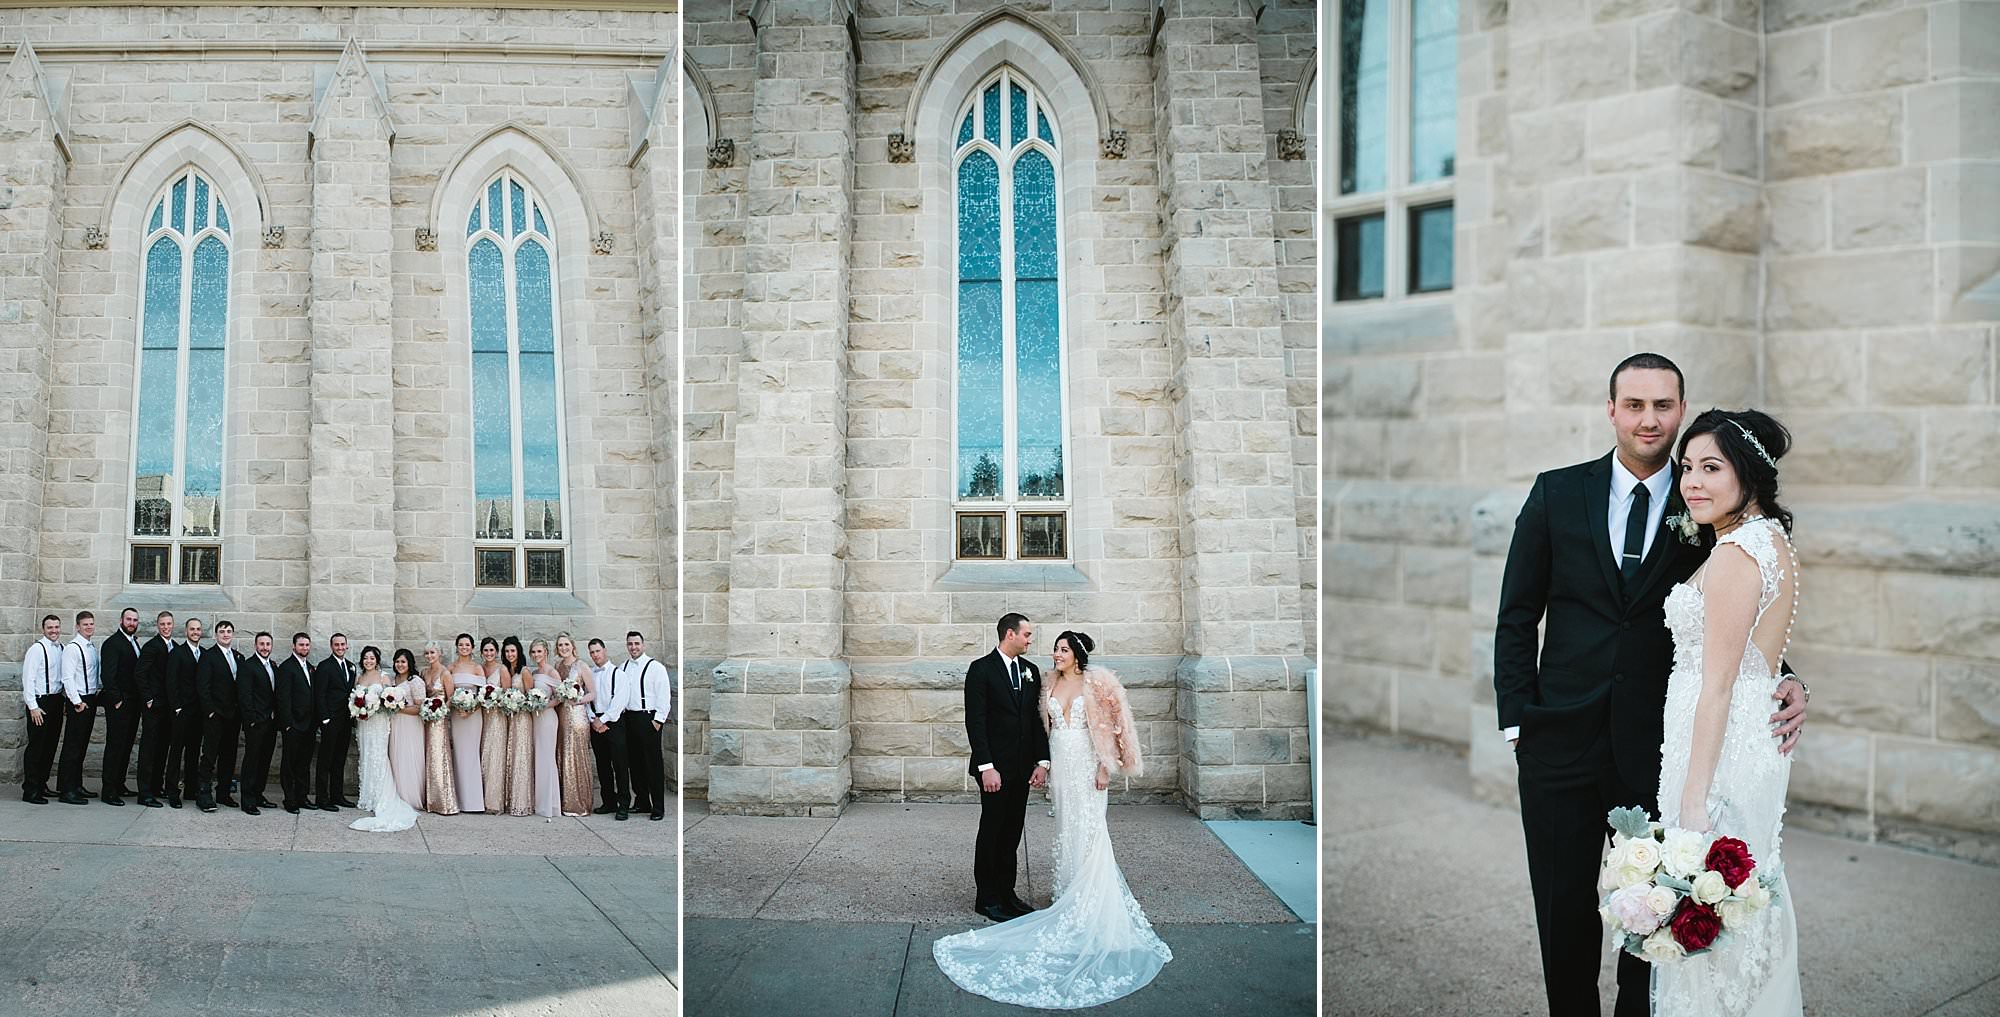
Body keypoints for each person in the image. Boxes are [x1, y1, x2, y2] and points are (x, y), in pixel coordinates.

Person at [1494, 354, 1810, 1017]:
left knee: (1656, 906)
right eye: (1634, 404)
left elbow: (1743, 612)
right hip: (1558, 739)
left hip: (1657, 748)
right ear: (1612, 409)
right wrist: (1519, 721)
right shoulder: (1556, 492)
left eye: (1663, 405)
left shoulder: (1706, 501)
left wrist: (1782, 679)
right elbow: (1518, 613)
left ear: (1681, 407)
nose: (1649, 418)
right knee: (1562, 905)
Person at [1651, 411, 1804, 1015]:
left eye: (1711, 468)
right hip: (1740, 741)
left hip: (1717, 756)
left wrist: (1692, 803)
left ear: (1750, 475)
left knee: (1711, 900)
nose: (1692, 482)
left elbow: (1717, 686)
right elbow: (1758, 661)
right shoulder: (1768, 541)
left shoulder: (1740, 552)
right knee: (1741, 899)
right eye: (1687, 467)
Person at [933, 630, 1171, 1008]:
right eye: (1051, 647)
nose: (1053, 653)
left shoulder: (1097, 682)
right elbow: (1029, 726)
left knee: (1091, 828)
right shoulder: (1046, 682)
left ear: (1077, 653)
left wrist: (1106, 767)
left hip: (1088, 765)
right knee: (1065, 827)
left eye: (1062, 649)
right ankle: (1060, 890)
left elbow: (1112, 724)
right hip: (1060, 766)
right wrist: (1039, 763)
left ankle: (1089, 897)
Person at [959, 613, 1049, 921]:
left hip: (1023, 769)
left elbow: (1037, 721)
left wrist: (1042, 762)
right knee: (992, 831)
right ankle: (986, 898)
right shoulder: (981, 670)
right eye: (1026, 634)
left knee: (1012, 833)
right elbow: (976, 722)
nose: (1030, 639)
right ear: (1009, 634)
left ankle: (1007, 894)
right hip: (994, 770)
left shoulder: (1030, 671)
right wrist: (987, 767)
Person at [349, 645, 419, 833]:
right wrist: (359, 709)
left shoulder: (384, 678)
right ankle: (367, 796)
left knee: (378, 756)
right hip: (364, 723)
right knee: (366, 757)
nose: (368, 661)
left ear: (377, 660)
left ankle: (380, 796)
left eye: (372, 658)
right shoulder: (359, 678)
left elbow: (390, 700)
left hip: (379, 723)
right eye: (365, 658)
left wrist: (376, 706)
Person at [618, 631, 669, 822]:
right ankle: (642, 801)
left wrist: (658, 720)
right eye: (630, 644)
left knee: (652, 764)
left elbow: (664, 694)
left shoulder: (655, 667)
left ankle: (658, 807)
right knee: (635, 763)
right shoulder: (623, 667)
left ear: (643, 645)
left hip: (648, 718)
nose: (633, 647)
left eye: (637, 644)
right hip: (629, 718)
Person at [194, 620, 245, 812]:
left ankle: (223, 793)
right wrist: (210, 711)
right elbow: (203, 686)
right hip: (215, 715)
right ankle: (204, 794)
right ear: (216, 635)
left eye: (229, 631)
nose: (225, 634)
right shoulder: (208, 656)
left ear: (232, 634)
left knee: (228, 756)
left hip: (233, 716)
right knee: (209, 755)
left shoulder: (238, 657)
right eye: (222, 631)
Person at [97, 607, 145, 806]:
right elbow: (107, 675)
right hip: (119, 704)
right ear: (121, 621)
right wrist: (117, 699)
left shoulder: (134, 642)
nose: (131, 623)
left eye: (134, 620)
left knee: (126, 745)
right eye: (128, 619)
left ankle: (119, 783)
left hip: (133, 704)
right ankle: (109, 790)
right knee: (115, 746)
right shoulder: (112, 644)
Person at [19, 613, 66, 805]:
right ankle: (30, 790)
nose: (54, 631)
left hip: (56, 701)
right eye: (50, 628)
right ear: (43, 629)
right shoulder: (36, 650)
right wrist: (33, 706)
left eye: (56, 627)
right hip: (40, 703)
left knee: (50, 745)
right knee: (37, 747)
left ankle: (42, 784)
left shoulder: (61, 648)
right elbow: (28, 679)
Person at [56, 610, 102, 805]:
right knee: (72, 746)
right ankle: (67, 790)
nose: (89, 627)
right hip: (79, 701)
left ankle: (76, 785)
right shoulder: (72, 648)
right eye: (85, 624)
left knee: (82, 745)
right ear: (77, 626)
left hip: (90, 698)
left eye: (91, 624)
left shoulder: (91, 647)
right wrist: (76, 701)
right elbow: (67, 678)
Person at [134, 610, 178, 808]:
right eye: (163, 624)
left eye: (169, 624)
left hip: (168, 707)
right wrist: (148, 698)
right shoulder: (151, 646)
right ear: (157, 626)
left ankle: (156, 786)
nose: (166, 627)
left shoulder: (175, 647)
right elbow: (140, 674)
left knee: (162, 748)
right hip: (154, 706)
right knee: (149, 749)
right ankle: (144, 793)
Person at [163, 618, 207, 809]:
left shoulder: (204, 654)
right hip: (182, 711)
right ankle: (172, 791)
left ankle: (191, 788)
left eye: (198, 629)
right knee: (176, 752)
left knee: (193, 751)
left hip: (198, 712)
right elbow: (171, 682)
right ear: (186, 631)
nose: (195, 632)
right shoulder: (177, 653)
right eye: (192, 629)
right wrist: (177, 707)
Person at [236, 631, 281, 815]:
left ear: (271, 646)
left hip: (270, 723)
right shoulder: (248, 666)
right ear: (256, 646)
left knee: (264, 760)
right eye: (261, 644)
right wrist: (252, 720)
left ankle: (258, 794)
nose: (265, 647)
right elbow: (244, 696)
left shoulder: (273, 666)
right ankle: (247, 800)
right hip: (256, 722)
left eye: (268, 644)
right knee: (252, 760)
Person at [552, 633, 596, 818]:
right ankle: (565, 801)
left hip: (577, 716)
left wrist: (576, 700)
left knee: (575, 756)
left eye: (566, 644)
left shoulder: (581, 666)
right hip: (561, 716)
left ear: (573, 645)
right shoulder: (557, 667)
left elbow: (592, 693)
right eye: (560, 645)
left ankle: (579, 804)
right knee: (563, 755)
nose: (563, 648)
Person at [313, 633, 358, 810]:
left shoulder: (351, 666)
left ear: (347, 646)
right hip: (330, 721)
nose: (340, 647)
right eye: (336, 645)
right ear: (332, 647)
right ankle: (322, 799)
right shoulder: (325, 666)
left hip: (346, 721)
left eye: (342, 644)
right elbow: (320, 694)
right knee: (325, 760)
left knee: (340, 759)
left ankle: (337, 795)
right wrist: (324, 719)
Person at [274, 633, 318, 814]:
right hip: (293, 725)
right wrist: (287, 724)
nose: (304, 648)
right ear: (294, 646)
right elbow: (282, 698)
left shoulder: (309, 667)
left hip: (308, 725)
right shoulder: (286, 667)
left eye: (307, 645)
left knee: (304, 763)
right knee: (290, 763)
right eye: (301, 645)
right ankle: (289, 798)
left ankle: (302, 796)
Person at [587, 637, 630, 820]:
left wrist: (603, 720)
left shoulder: (618, 674)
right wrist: (593, 718)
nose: (595, 655)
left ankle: (623, 805)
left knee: (619, 765)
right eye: (592, 652)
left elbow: (620, 702)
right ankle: (608, 802)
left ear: (604, 650)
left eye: (597, 651)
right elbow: (586, 698)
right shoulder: (590, 673)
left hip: (614, 722)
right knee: (602, 765)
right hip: (595, 723)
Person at [421, 641, 461, 816]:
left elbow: (451, 698)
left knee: (438, 756)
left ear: (439, 654)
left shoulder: (445, 673)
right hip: (425, 719)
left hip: (439, 721)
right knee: (427, 757)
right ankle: (429, 800)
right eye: (427, 653)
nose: (429, 656)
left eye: (432, 653)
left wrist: (441, 712)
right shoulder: (424, 672)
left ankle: (443, 801)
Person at [449, 633, 485, 813]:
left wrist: (470, 708)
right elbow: (448, 692)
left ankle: (474, 802)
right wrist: (457, 706)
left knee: (471, 754)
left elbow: (484, 694)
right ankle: (459, 799)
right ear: (457, 647)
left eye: (467, 645)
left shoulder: (477, 668)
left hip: (473, 715)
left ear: (472, 647)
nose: (464, 647)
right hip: (457, 715)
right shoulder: (451, 667)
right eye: (461, 645)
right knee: (459, 754)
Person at [527, 638, 563, 818]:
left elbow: (559, 697)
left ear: (546, 652)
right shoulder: (534, 672)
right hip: (535, 718)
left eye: (539, 651)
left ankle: (550, 804)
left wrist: (544, 705)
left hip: (548, 718)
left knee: (547, 757)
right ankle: (539, 802)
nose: (536, 655)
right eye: (533, 652)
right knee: (538, 757)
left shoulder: (552, 672)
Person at [502, 636, 534, 817]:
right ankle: (510, 800)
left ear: (518, 652)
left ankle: (522, 803)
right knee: (512, 756)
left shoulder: (524, 671)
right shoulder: (508, 670)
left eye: (512, 651)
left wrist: (517, 703)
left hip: (522, 719)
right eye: (507, 651)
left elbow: (530, 697)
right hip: (511, 719)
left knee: (521, 757)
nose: (510, 654)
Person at [479, 636, 509, 815]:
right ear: (481, 652)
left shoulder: (502, 669)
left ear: (496, 652)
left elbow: (507, 695)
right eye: (485, 650)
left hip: (497, 717)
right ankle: (481, 798)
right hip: (482, 717)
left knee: (495, 756)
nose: (489, 653)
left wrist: (495, 700)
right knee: (483, 755)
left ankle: (495, 802)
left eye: (491, 650)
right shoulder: (480, 668)